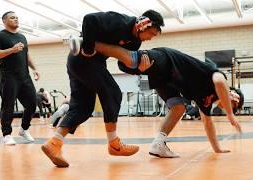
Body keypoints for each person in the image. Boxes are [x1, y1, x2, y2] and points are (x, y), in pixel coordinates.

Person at [41, 10, 164, 167]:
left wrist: (139, 68)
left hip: (84, 63)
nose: (150, 39)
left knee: (83, 107)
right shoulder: (119, 21)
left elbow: (122, 63)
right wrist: (88, 46)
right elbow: (89, 18)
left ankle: (54, 144)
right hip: (83, 58)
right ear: (143, 25)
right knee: (113, 94)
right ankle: (114, 144)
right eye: (151, 34)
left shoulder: (135, 42)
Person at [90, 41, 244, 157]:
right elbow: (219, 82)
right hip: (168, 60)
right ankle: (93, 44)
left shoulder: (207, 102)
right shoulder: (219, 76)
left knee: (179, 108)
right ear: (234, 97)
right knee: (134, 60)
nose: (226, 110)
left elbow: (207, 123)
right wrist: (231, 114)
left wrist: (217, 148)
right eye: (231, 107)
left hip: (166, 81)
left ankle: (158, 144)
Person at [0, 11, 39, 145]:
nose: (16, 19)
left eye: (17, 17)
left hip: (25, 76)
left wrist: (35, 69)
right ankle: (6, 134)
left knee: (32, 104)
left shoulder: (22, 37)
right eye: (12, 18)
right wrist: (12, 50)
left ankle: (23, 129)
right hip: (8, 76)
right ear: (4, 21)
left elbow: (26, 55)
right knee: (8, 106)